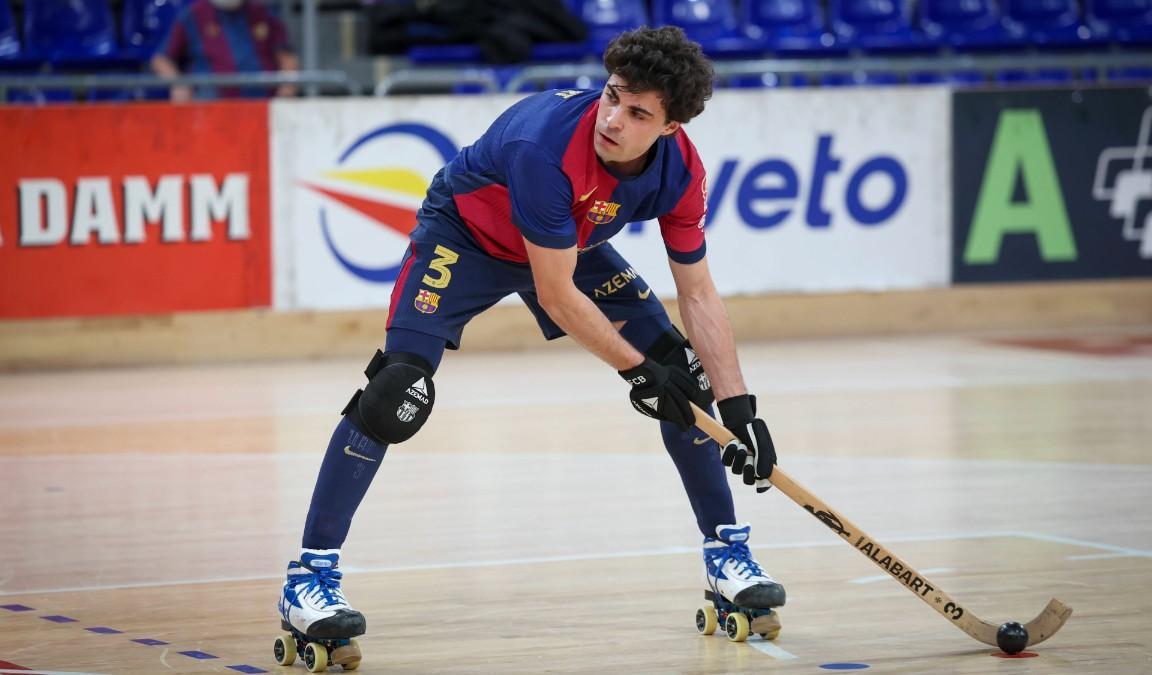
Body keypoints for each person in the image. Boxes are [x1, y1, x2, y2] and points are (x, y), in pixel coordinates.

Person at [275, 26, 785, 664]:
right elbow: (557, 294)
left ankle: (727, 555)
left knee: (686, 376)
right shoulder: (545, 146)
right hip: (467, 239)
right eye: (612, 96)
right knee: (395, 393)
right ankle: (309, 579)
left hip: (568, 245)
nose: (613, 119)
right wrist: (638, 373)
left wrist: (738, 407)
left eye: (637, 113)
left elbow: (699, 293)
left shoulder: (681, 170)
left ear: (670, 127)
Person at [150, 0, 298, 102]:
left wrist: (287, 87)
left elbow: (287, 58)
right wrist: (179, 84)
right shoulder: (193, 15)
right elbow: (161, 60)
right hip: (211, 106)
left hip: (263, 105)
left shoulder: (263, 13)